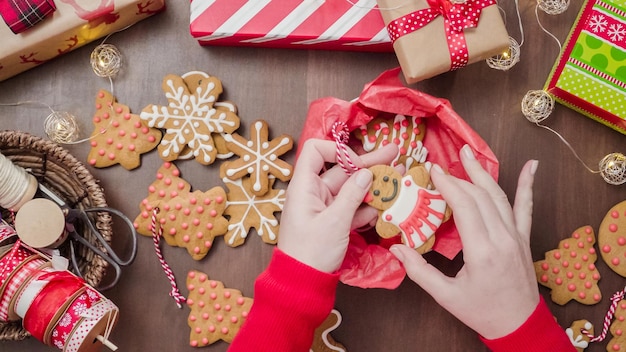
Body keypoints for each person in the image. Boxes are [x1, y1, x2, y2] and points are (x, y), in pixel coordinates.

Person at [229, 139, 576, 352]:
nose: (377, 189)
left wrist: (294, 283)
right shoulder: (386, 218)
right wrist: (526, 332)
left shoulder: (412, 182)